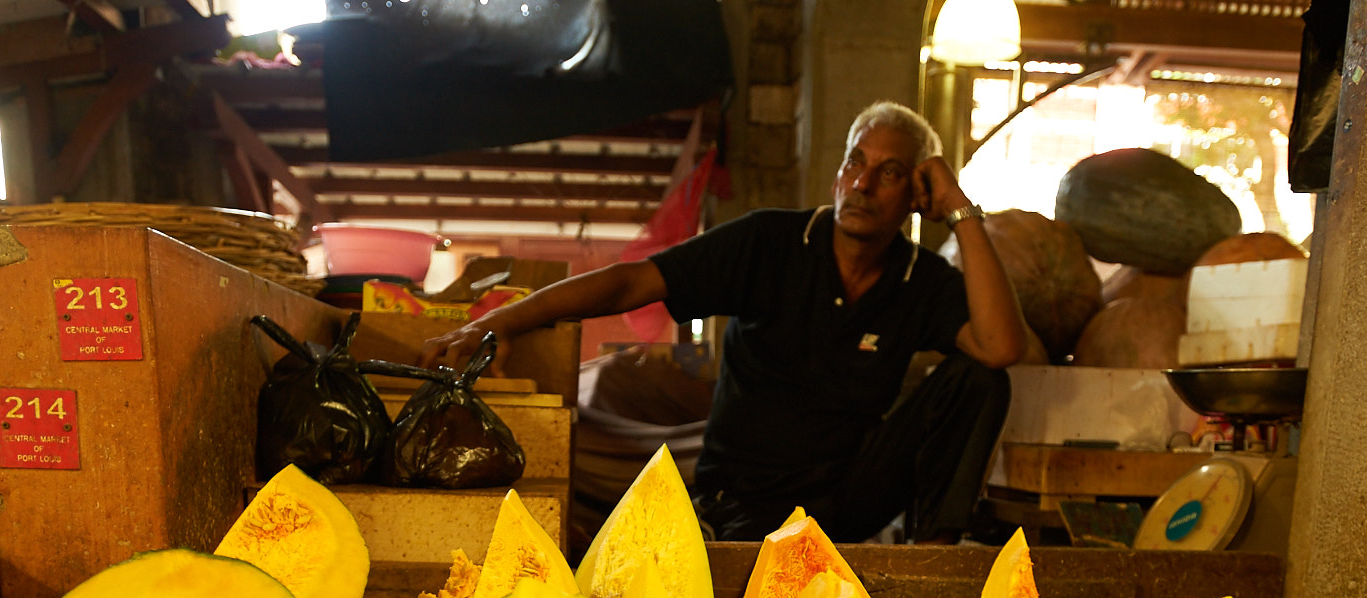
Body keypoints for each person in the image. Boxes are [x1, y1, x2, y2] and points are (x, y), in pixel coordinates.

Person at [422, 100, 1028, 541]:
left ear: (917, 190)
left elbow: (1001, 347)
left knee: (980, 380)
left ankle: (937, 554)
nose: (862, 183)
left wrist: (959, 207)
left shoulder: (917, 279)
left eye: (890, 171)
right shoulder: (771, 242)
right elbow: (634, 280)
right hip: (743, 502)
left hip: (845, 501)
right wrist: (498, 323)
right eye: (853, 162)